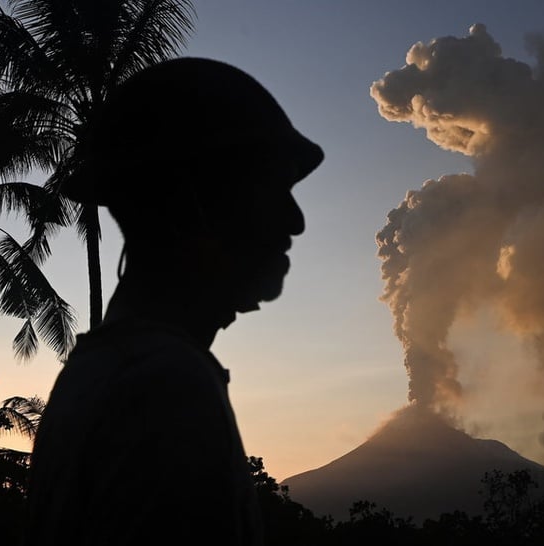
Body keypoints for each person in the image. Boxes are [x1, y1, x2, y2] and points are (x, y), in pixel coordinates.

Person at [24, 57, 323, 545]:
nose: (296, 221)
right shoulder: (164, 387)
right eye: (273, 188)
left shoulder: (101, 373)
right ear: (192, 204)